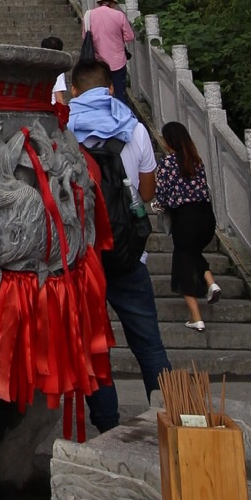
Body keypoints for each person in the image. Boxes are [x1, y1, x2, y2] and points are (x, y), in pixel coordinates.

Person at [68, 62, 168, 431]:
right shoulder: (135, 129)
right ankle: (168, 420)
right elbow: (148, 193)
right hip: (128, 255)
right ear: (110, 89)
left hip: (83, 257)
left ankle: (107, 428)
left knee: (94, 346)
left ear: (73, 91)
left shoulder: (63, 131)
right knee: (149, 344)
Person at [157, 123, 221, 331]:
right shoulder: (196, 161)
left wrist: (158, 206)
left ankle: (196, 318)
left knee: (183, 265)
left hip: (185, 219)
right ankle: (211, 282)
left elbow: (162, 194)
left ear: (169, 140)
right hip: (206, 217)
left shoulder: (167, 163)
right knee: (191, 253)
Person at [83, 0, 136, 101]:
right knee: (120, 93)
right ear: (112, 3)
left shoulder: (88, 16)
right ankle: (120, 110)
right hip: (118, 61)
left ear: (100, 3)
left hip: (98, 62)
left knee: (101, 93)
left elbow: (84, 38)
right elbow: (129, 37)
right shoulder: (119, 15)